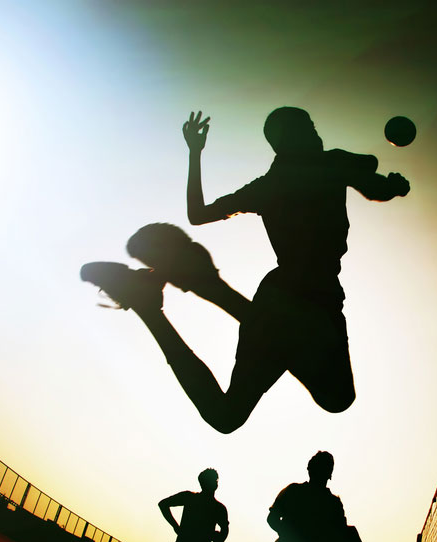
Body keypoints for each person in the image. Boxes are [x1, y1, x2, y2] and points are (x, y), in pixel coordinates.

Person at [81, 107, 410, 433]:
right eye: (306, 127)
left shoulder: (274, 184)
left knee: (230, 416)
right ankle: (183, 297)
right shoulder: (324, 166)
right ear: (285, 140)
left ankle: (156, 307)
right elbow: (373, 183)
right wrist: (391, 185)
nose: (314, 132)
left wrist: (195, 154)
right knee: (335, 398)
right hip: (306, 297)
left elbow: (198, 213)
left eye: (312, 126)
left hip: (289, 295)